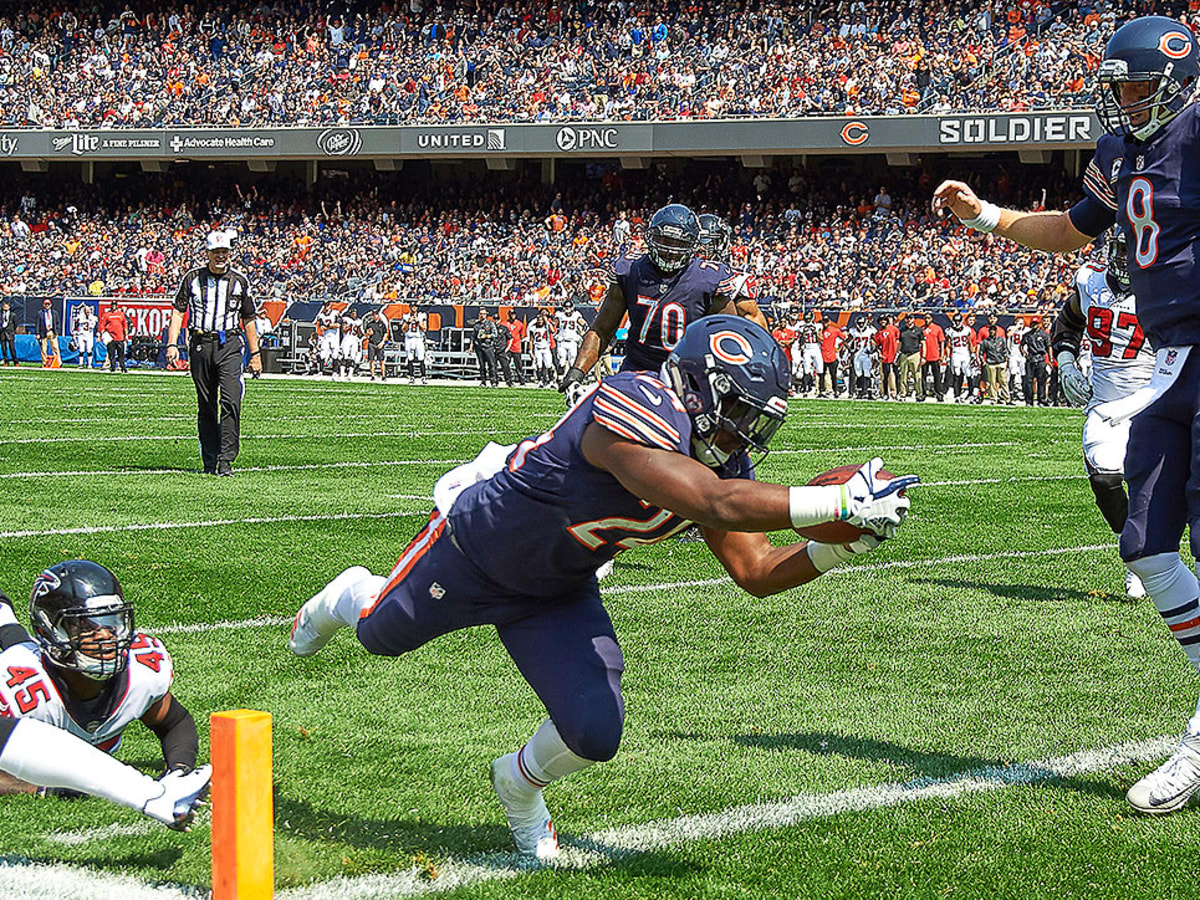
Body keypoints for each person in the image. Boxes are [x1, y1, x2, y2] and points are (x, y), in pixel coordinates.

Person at [287, 315, 916, 858]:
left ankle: (518, 784)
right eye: (743, 414)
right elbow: (714, 503)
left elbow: (754, 571)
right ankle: (351, 593)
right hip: (476, 550)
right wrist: (838, 498)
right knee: (378, 636)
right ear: (703, 390)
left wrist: (841, 545)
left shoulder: (719, 461)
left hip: (558, 587)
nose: (746, 434)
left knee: (594, 731)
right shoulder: (635, 402)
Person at [931, 16, 1200, 813]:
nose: (1126, 99)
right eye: (1117, 85)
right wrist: (985, 215)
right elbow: (1074, 230)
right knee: (1146, 546)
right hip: (1170, 362)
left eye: (1139, 85)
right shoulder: (1123, 151)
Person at [0, 561, 210, 830]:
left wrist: (179, 770)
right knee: (14, 643)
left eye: (111, 623)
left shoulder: (141, 674)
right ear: (50, 630)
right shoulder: (24, 688)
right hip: (31, 662)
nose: (105, 637)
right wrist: (37, 788)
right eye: (85, 626)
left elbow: (174, 722)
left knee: (15, 639)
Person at [559, 204, 765, 399]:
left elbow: (725, 339)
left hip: (688, 378)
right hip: (636, 372)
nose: (670, 250)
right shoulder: (630, 270)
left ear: (692, 245)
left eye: (678, 243)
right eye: (664, 241)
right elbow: (602, 330)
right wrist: (577, 373)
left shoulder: (709, 279)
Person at [1052, 231, 1153, 598]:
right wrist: (1065, 361)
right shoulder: (1090, 281)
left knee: (1155, 490)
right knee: (1105, 481)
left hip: (1152, 404)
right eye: (1123, 249)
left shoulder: (1163, 286)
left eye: (1135, 250)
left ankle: (1158, 561)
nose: (1127, 259)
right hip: (1106, 403)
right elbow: (1068, 321)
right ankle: (1136, 560)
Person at [166, 230, 262, 477]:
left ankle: (226, 460)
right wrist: (172, 344)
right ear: (207, 253)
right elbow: (178, 311)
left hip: (229, 344)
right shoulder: (192, 279)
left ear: (230, 253)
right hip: (200, 343)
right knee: (206, 404)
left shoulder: (239, 282)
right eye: (216, 252)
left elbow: (249, 318)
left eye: (225, 252)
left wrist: (256, 353)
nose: (221, 256)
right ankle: (210, 459)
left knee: (231, 401)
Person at [1021, 318, 1051, 407]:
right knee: (1028, 381)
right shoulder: (1027, 335)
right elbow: (1022, 345)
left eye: (1036, 324)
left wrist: (1050, 358)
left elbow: (1048, 347)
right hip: (1030, 358)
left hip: (1040, 358)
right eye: (1033, 324)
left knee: (1041, 381)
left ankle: (1041, 400)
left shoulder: (1044, 335)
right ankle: (1029, 401)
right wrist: (1024, 352)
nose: (1034, 325)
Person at [467, 311, 499, 386]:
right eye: (481, 314)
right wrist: (471, 347)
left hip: (488, 346)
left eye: (484, 314)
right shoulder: (477, 325)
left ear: (486, 315)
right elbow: (473, 337)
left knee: (491, 364)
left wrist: (487, 336)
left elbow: (495, 334)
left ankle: (493, 381)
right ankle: (483, 381)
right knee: (482, 365)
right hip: (479, 347)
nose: (482, 315)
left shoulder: (490, 324)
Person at [97, 299, 129, 374]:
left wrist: (126, 335)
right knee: (111, 354)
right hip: (111, 337)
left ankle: (122, 367)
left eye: (115, 305)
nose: (114, 307)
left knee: (121, 354)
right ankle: (113, 367)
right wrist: (100, 334)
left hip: (120, 337)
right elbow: (102, 325)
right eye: (112, 305)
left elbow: (125, 326)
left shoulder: (121, 314)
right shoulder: (107, 314)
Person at [402, 307, 428, 384]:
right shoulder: (406, 316)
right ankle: (411, 376)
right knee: (410, 358)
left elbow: (424, 328)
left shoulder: (422, 316)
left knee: (421, 358)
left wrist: (418, 322)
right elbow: (403, 329)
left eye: (415, 306)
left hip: (418, 338)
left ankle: (423, 377)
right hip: (409, 338)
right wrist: (408, 322)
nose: (414, 308)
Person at [528, 313, 555, 386]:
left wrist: (547, 322)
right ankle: (540, 381)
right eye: (538, 320)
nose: (540, 322)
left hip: (546, 348)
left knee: (549, 365)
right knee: (539, 366)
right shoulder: (533, 328)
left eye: (541, 320)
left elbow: (553, 331)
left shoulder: (546, 326)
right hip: (537, 348)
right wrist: (530, 351)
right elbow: (531, 340)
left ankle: (551, 380)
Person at [365, 307, 390, 381]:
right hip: (372, 343)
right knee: (371, 360)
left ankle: (383, 375)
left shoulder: (382, 324)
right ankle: (372, 375)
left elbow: (385, 333)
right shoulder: (370, 324)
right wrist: (368, 334)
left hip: (379, 343)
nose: (374, 316)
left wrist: (382, 342)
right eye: (373, 315)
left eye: (376, 314)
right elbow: (366, 334)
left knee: (381, 360)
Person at [35, 298, 60, 367]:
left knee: (55, 347)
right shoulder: (40, 313)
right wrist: (37, 333)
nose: (47, 305)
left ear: (51, 305)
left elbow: (57, 322)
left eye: (48, 304)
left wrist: (57, 331)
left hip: (52, 331)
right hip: (43, 332)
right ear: (43, 305)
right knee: (43, 348)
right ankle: (44, 362)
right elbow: (37, 324)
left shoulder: (54, 313)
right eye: (46, 304)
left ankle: (58, 362)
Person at [72, 302, 98, 369]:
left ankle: (89, 364)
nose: (87, 312)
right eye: (86, 311)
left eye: (88, 311)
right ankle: (81, 364)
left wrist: (98, 334)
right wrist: (74, 333)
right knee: (81, 350)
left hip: (89, 335)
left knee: (89, 350)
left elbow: (96, 327)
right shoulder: (80, 317)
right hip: (81, 335)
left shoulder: (93, 318)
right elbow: (76, 325)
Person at [0, 299, 17, 367]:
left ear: (9, 307)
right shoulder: (1, 314)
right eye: (4, 306)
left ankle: (15, 361)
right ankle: (6, 361)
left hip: (10, 333)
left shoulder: (13, 314)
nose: (5, 308)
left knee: (12, 348)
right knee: (4, 348)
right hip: (2, 333)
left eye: (7, 306)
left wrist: (12, 330)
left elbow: (15, 324)